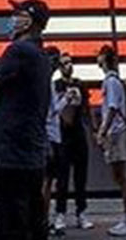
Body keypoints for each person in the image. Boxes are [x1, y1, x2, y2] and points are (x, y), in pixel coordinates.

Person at [0, 0, 53, 240]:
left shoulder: (18, 51)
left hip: (10, 152)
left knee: (10, 220)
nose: (11, 19)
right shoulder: (42, 56)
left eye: (16, 14)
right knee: (33, 217)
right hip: (32, 151)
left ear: (28, 21)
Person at [95, 46, 126, 236]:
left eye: (99, 55)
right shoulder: (113, 81)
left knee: (122, 177)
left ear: (105, 58)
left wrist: (102, 131)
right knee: (120, 177)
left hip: (115, 133)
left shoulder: (110, 82)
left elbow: (113, 109)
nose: (97, 58)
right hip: (116, 132)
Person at [45, 47, 93, 235]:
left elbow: (87, 109)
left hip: (78, 134)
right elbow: (54, 110)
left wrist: (95, 129)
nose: (68, 66)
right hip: (62, 135)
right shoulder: (56, 86)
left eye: (70, 62)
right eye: (64, 63)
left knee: (81, 176)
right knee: (62, 177)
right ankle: (60, 213)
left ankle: (81, 212)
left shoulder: (80, 85)